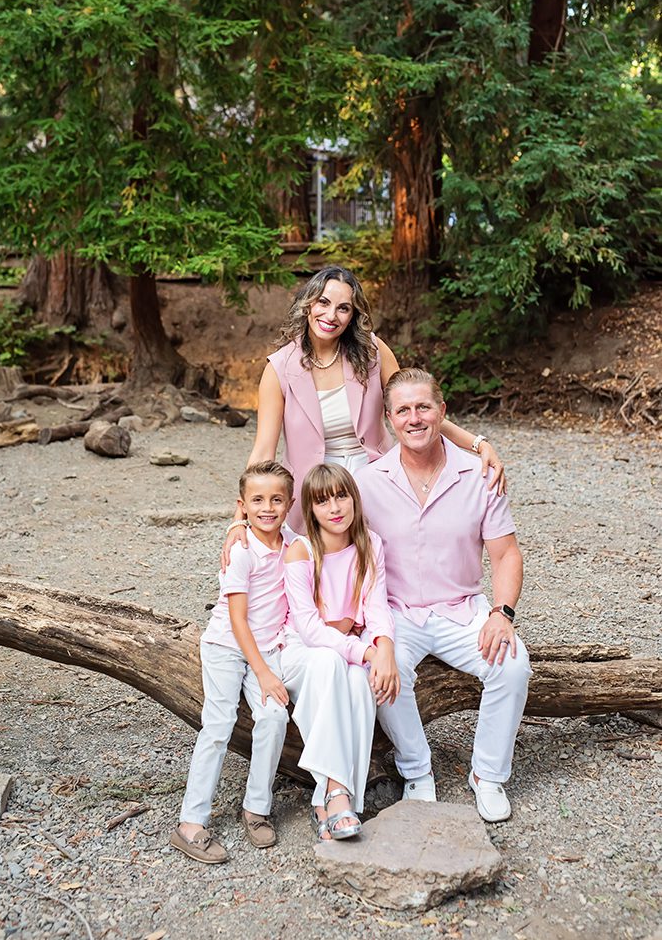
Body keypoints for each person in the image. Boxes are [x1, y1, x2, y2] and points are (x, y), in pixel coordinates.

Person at [222, 264, 505, 546]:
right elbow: (263, 450)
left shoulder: (372, 352)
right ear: (308, 304)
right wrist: (240, 517)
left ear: (353, 315)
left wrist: (478, 444)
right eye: (323, 302)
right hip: (315, 485)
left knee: (386, 557)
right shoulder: (279, 368)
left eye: (343, 308)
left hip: (376, 475)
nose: (330, 316)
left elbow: (414, 411)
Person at [356, 368, 531, 823]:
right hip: (396, 613)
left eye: (424, 407)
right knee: (379, 675)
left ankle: (488, 775)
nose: (414, 418)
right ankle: (416, 771)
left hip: (463, 608)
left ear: (442, 412)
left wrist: (502, 613)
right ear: (390, 419)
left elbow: (506, 553)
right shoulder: (368, 481)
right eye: (403, 410)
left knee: (513, 667)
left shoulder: (479, 474)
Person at [170, 461, 295, 863]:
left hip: (269, 645)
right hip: (228, 645)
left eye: (277, 499)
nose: (268, 508)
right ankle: (191, 822)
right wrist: (262, 673)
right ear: (242, 506)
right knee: (219, 723)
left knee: (274, 717)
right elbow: (238, 620)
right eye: (257, 500)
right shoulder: (241, 550)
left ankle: (256, 807)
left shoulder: (293, 545)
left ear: (290, 504)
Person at [282, 463, 399, 841]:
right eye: (322, 501)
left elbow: (377, 606)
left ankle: (331, 801)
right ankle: (336, 791)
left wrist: (384, 649)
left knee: (359, 684)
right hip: (304, 650)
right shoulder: (300, 552)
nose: (334, 507)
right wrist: (365, 651)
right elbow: (310, 628)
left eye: (341, 496)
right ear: (310, 509)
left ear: (353, 498)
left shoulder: (370, 543)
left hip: (348, 648)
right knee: (334, 663)